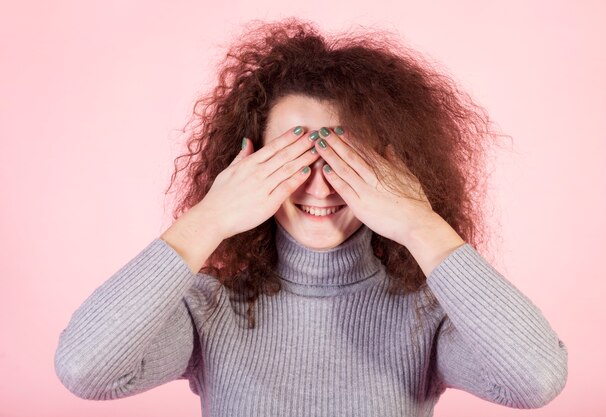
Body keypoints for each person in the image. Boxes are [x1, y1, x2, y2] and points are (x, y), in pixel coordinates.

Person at [54, 18, 568, 417]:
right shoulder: (210, 309)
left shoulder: (425, 314)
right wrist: (209, 218)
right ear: (248, 165)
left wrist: (419, 222)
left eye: (348, 161)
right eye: (292, 159)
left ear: (389, 169)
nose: (319, 185)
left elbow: (537, 380)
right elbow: (85, 370)